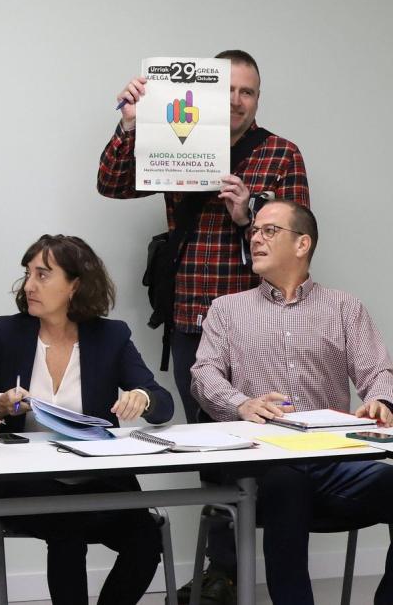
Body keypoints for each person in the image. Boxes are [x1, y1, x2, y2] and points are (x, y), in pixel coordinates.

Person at [98, 50, 309, 601]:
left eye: (249, 92)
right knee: (213, 453)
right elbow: (113, 185)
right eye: (230, 90)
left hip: (263, 323)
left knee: (266, 445)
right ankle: (224, 569)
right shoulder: (177, 133)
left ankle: (258, 563)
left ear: (258, 99)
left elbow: (300, 234)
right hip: (193, 318)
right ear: (209, 94)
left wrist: (250, 211)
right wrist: (129, 125)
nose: (239, 101)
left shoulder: (281, 154)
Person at [191, 199, 393, 605]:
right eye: (254, 232)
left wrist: (381, 401)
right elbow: (203, 374)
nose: (256, 238)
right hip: (259, 465)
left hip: (331, 461)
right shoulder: (227, 310)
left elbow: (378, 373)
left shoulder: (343, 307)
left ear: (303, 244)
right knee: (288, 483)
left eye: (269, 231)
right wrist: (241, 403)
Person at [0, 234, 174, 605]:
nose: (29, 285)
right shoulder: (7, 331)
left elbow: (162, 403)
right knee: (67, 525)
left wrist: (140, 398)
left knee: (146, 540)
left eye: (43, 275)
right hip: (25, 482)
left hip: (97, 482)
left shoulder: (110, 336)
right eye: (28, 274)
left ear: (75, 285)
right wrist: (1, 404)